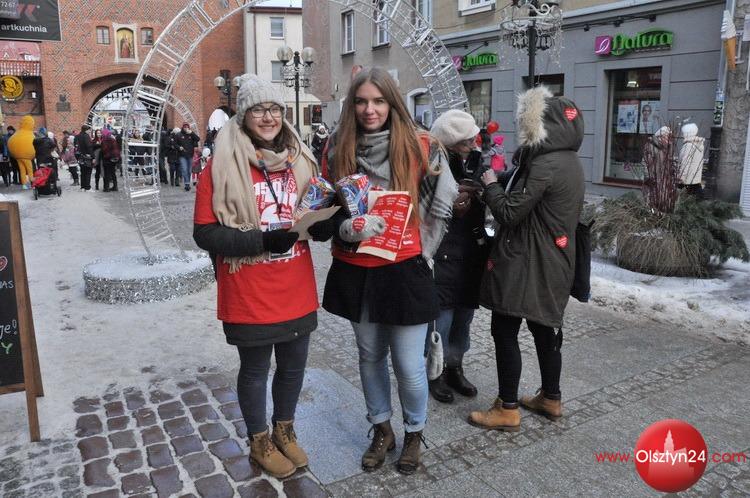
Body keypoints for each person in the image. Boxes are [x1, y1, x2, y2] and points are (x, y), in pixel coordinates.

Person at [321, 68, 457, 475]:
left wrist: (424, 250)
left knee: (409, 365)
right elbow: (324, 208)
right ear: (352, 105)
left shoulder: (421, 145)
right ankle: (382, 430)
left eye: (378, 101)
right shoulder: (336, 147)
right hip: (356, 268)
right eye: (361, 101)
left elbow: (441, 202)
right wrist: (345, 227)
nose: (370, 109)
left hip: (404, 270)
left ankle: (414, 432)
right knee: (369, 357)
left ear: (392, 103)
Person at [192, 73, 322, 479]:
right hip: (249, 290)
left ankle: (285, 430)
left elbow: (314, 207)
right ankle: (259, 440)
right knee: (255, 370)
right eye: (259, 110)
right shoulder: (220, 165)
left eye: (275, 109)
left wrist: (323, 225)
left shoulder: (301, 159)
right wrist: (261, 241)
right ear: (244, 115)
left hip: (295, 285)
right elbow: (205, 233)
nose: (268, 117)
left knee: (293, 367)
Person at [468, 86, 584, 431]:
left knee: (504, 328)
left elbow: (509, 213)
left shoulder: (545, 164)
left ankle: (507, 408)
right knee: (543, 327)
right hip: (555, 259)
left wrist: (490, 184)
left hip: (528, 261)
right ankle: (551, 397)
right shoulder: (568, 160)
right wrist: (501, 181)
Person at [425, 109, 487, 404]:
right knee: (442, 320)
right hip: (443, 252)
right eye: (467, 141)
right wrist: (451, 204)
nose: (474, 145)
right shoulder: (432, 164)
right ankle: (434, 373)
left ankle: (455, 367)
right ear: (451, 142)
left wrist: (481, 193)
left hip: (469, 252)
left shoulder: (475, 161)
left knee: (463, 317)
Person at [678, 123, 705, 199]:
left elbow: (685, 163)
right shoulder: (698, 144)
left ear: (687, 133)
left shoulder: (688, 146)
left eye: (683, 133)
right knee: (697, 196)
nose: (682, 135)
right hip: (695, 177)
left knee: (681, 198)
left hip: (687, 178)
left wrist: (682, 177)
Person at [176, 122, 200, 191]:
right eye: (185, 127)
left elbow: (198, 139)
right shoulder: (179, 134)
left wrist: (192, 133)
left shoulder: (191, 135)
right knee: (184, 169)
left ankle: (188, 183)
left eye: (187, 127)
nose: (186, 128)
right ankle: (187, 184)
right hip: (182, 155)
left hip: (190, 155)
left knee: (189, 171)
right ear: (183, 127)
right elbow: (175, 143)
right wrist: (179, 147)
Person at [75, 125, 94, 191]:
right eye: (89, 130)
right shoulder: (86, 136)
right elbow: (89, 147)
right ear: (86, 130)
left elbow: (76, 147)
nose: (90, 132)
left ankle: (82, 187)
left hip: (80, 156)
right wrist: (93, 157)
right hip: (87, 156)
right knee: (88, 172)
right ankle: (87, 187)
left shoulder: (77, 136)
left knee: (82, 172)